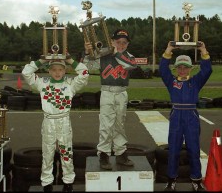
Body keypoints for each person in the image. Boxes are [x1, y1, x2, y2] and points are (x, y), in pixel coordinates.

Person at [22, 55, 89, 192]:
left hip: (64, 121)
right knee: (48, 153)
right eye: (53, 69)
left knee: (66, 152)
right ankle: (47, 182)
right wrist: (42, 60)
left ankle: (68, 181)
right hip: (48, 122)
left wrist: (70, 60)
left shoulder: (70, 84)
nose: (57, 72)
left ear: (65, 70)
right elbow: (26, 72)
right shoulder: (42, 83)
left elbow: (84, 73)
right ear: (48, 71)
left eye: (60, 69)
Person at [159, 41, 212, 192]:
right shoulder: (171, 81)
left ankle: (196, 180)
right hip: (176, 115)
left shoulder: (196, 81)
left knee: (194, 149)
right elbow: (163, 70)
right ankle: (171, 179)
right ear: (176, 68)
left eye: (185, 67)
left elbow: (207, 70)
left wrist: (203, 49)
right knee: (174, 149)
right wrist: (168, 49)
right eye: (180, 67)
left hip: (191, 116)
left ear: (190, 69)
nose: (182, 70)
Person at [82, 29, 137, 170]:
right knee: (106, 125)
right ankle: (104, 155)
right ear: (111, 41)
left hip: (121, 93)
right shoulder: (104, 55)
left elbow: (131, 65)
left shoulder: (128, 56)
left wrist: (116, 52)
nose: (121, 44)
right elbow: (87, 67)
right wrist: (88, 53)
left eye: (124, 42)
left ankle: (121, 153)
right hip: (106, 92)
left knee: (120, 124)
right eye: (117, 42)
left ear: (128, 44)